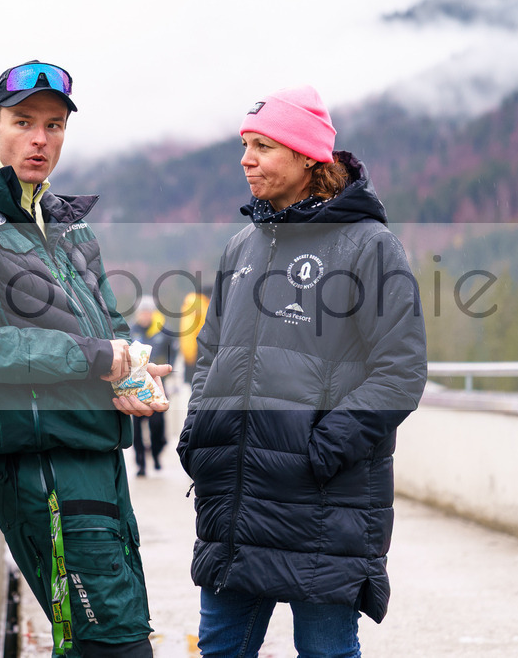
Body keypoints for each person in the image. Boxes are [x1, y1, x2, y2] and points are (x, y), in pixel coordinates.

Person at [0, 61, 170, 657]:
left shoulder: (66, 225)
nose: (40, 138)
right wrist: (94, 359)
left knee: (107, 635)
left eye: (54, 125)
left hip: (96, 455)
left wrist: (128, 366)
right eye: (23, 122)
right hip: (41, 467)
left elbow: (107, 325)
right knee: (111, 644)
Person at [177, 85, 427, 657]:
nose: (246, 159)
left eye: (263, 146)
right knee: (220, 650)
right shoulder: (241, 246)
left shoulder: (369, 246)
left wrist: (325, 447)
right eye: (245, 144)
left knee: (324, 651)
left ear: (307, 157)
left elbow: (401, 370)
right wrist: (200, 433)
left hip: (322, 501)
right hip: (235, 495)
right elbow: (210, 353)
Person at [128, 296, 176, 476]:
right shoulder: (131, 330)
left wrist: (168, 370)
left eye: (148, 312)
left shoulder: (163, 330)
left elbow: (174, 350)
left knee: (157, 424)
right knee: (137, 426)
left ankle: (156, 452)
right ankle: (140, 463)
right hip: (136, 385)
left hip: (157, 385)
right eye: (142, 312)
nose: (145, 315)